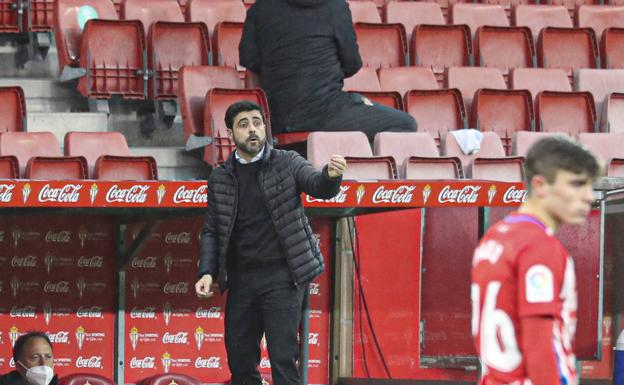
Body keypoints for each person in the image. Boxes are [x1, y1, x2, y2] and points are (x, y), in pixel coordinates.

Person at [194, 101, 346, 385]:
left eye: (257, 122)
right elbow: (212, 230)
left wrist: (331, 177)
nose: (252, 129)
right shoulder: (220, 178)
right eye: (243, 124)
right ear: (230, 133)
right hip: (241, 279)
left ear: (264, 127)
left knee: (283, 359)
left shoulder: (287, 162)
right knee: (239, 361)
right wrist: (206, 271)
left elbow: (317, 186)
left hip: (283, 275)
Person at [471, 136, 601, 385]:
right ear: (541, 185)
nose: (588, 196)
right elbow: (538, 344)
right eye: (577, 185)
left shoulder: (494, 237)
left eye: (589, 186)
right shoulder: (539, 247)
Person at [238, 0, 416, 141]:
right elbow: (352, 63)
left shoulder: (260, 8)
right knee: (406, 124)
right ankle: (360, 179)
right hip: (328, 112)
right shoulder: (335, 7)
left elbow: (249, 60)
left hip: (278, 118)